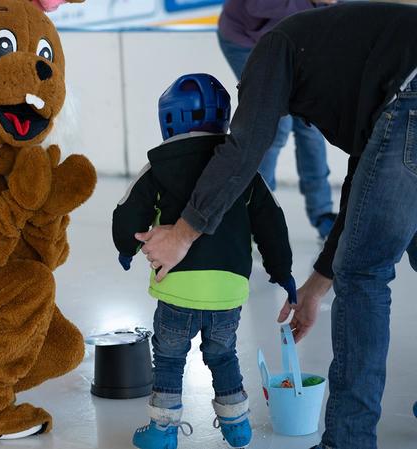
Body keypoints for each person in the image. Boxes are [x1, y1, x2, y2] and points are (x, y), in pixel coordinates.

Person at [139, 3, 417, 448]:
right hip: (406, 93)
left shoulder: (274, 49)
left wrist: (181, 234)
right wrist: (315, 286)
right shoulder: (338, 51)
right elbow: (364, 188)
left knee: (363, 274)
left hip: (410, 94)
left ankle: (348, 441)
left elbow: (244, 149)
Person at [113, 74, 296, 449]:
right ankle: (237, 426)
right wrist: (282, 271)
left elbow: (128, 212)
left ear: (168, 120)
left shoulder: (159, 166)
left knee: (168, 357)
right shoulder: (241, 169)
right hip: (227, 291)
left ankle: (163, 432)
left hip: (177, 286)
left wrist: (125, 248)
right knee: (223, 354)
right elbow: (272, 221)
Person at [218, 0, 337, 238]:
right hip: (246, 40)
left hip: (298, 42)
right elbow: (257, 6)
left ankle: (323, 213)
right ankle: (257, 214)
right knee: (273, 122)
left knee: (310, 124)